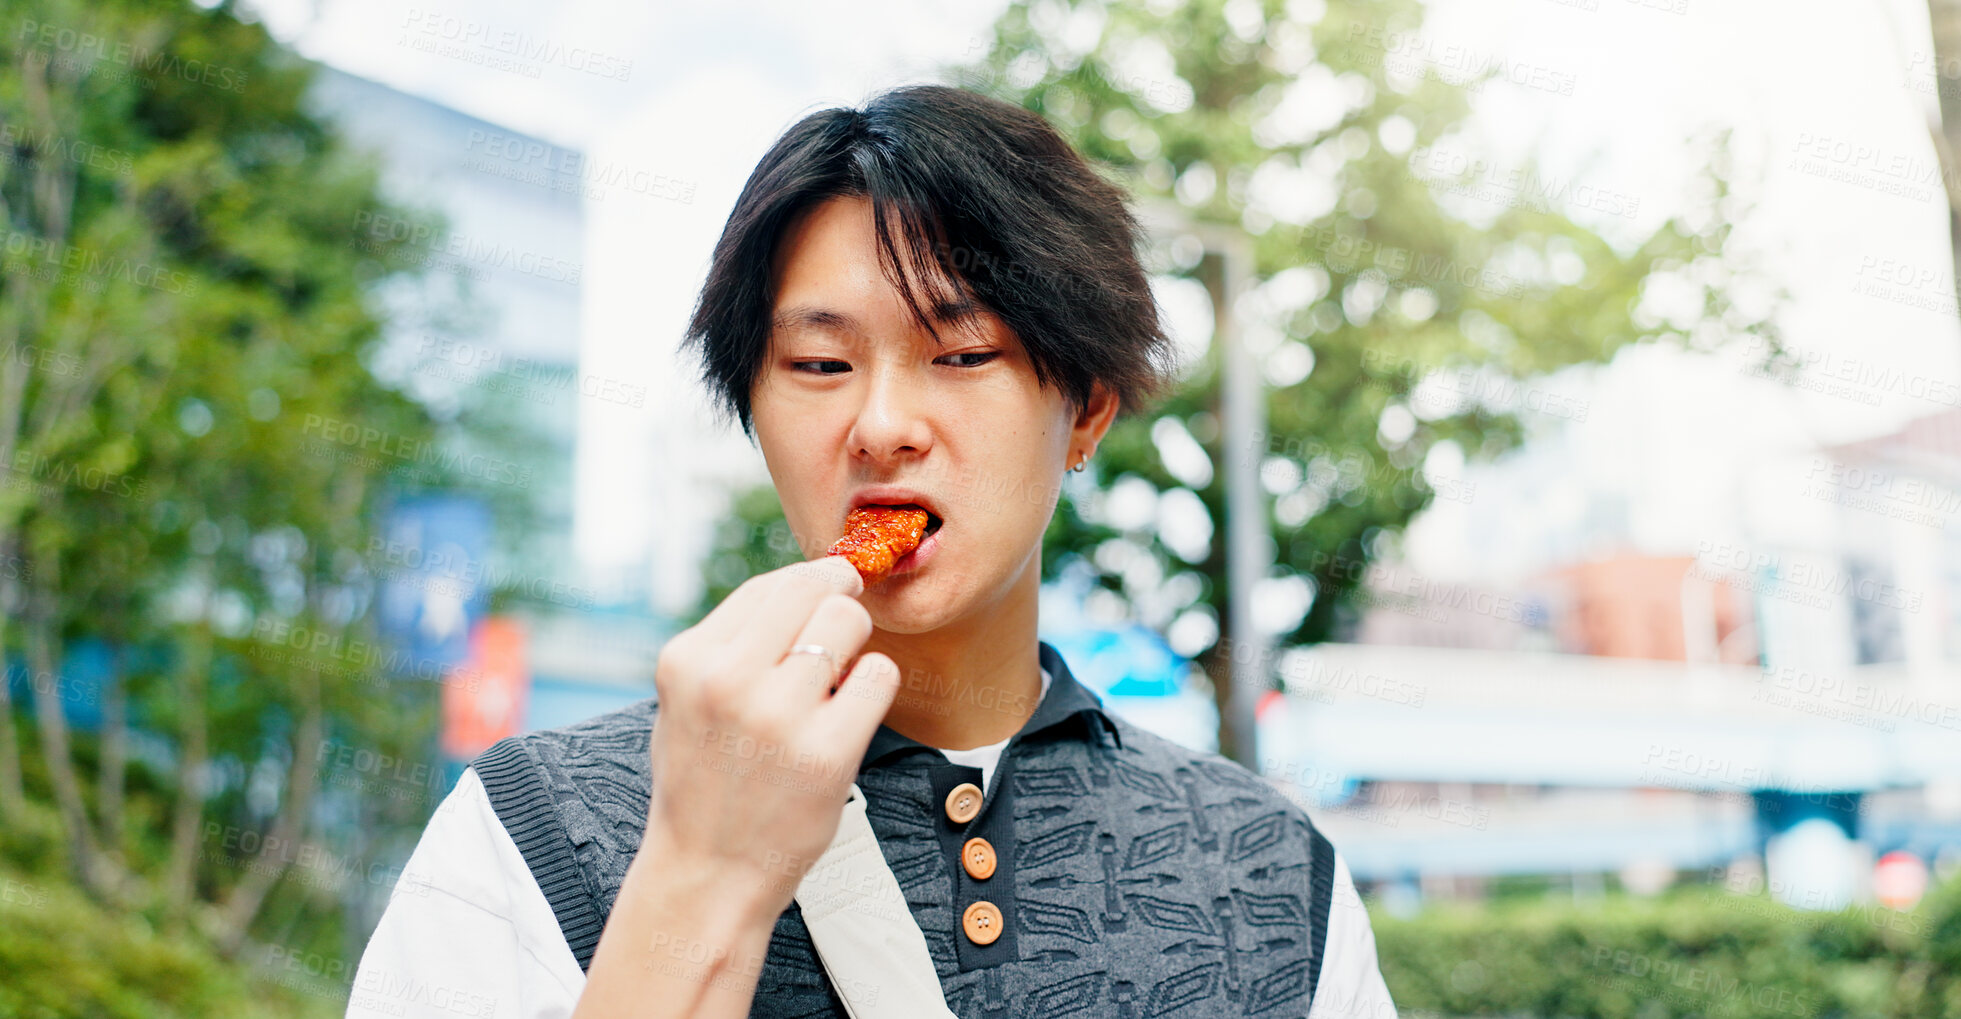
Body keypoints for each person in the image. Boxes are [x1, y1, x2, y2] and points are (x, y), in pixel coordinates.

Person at [348, 83, 1397, 1019]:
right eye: (816, 361)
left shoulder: (1268, 869)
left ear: (1084, 411)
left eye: (961, 351)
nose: (881, 422)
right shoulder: (526, 827)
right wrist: (701, 868)